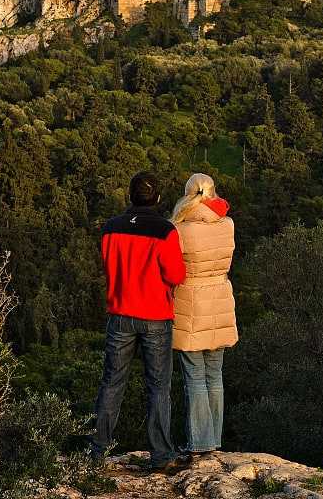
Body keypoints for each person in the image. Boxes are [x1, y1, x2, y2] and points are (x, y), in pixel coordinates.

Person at [90, 171, 187, 471]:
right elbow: (175, 275)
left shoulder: (110, 229)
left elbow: (108, 266)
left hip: (120, 314)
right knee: (158, 387)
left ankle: (97, 453)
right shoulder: (165, 231)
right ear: (158, 198)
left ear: (129, 196)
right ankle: (160, 456)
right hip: (155, 315)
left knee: (112, 383)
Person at [170, 173, 237, 455]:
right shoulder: (227, 225)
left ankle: (200, 442)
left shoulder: (179, 229)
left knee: (194, 376)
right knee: (215, 374)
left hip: (190, 302)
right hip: (220, 299)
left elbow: (174, 270)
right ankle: (215, 440)